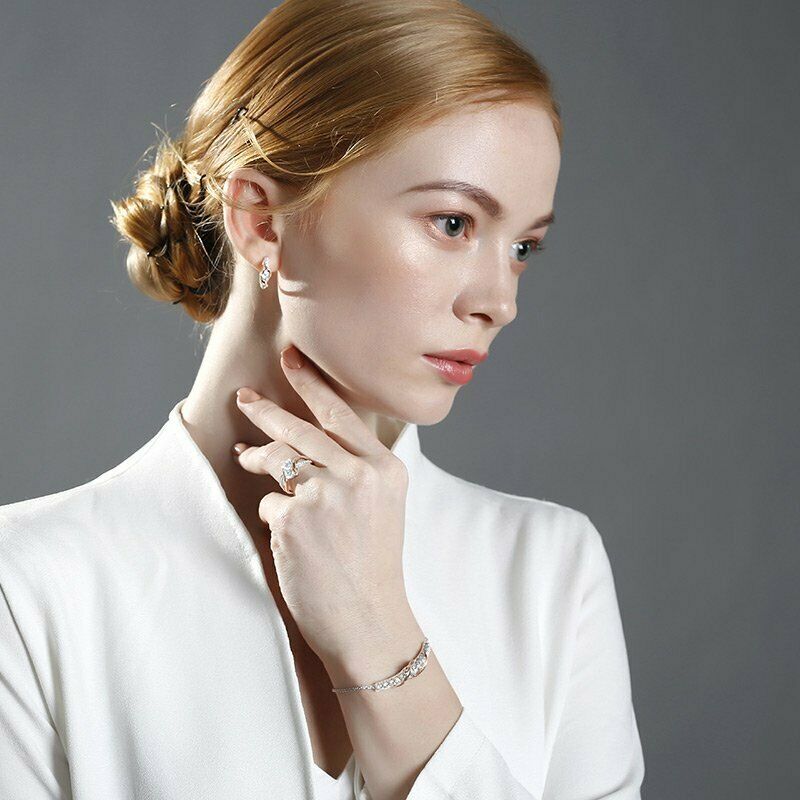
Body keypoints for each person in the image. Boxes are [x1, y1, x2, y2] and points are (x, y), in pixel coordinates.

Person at [0, 0, 645, 798]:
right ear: (261, 221)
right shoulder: (27, 590)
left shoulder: (547, 571)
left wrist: (381, 642)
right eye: (452, 223)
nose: (498, 301)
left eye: (522, 247)